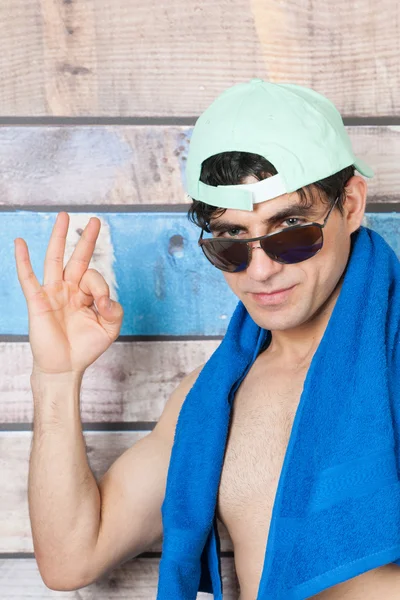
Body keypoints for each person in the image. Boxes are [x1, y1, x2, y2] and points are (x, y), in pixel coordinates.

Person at [13, 79, 400, 599]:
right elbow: (71, 557)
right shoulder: (211, 400)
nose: (260, 271)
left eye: (290, 230)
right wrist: (55, 379)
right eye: (233, 243)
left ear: (350, 206)